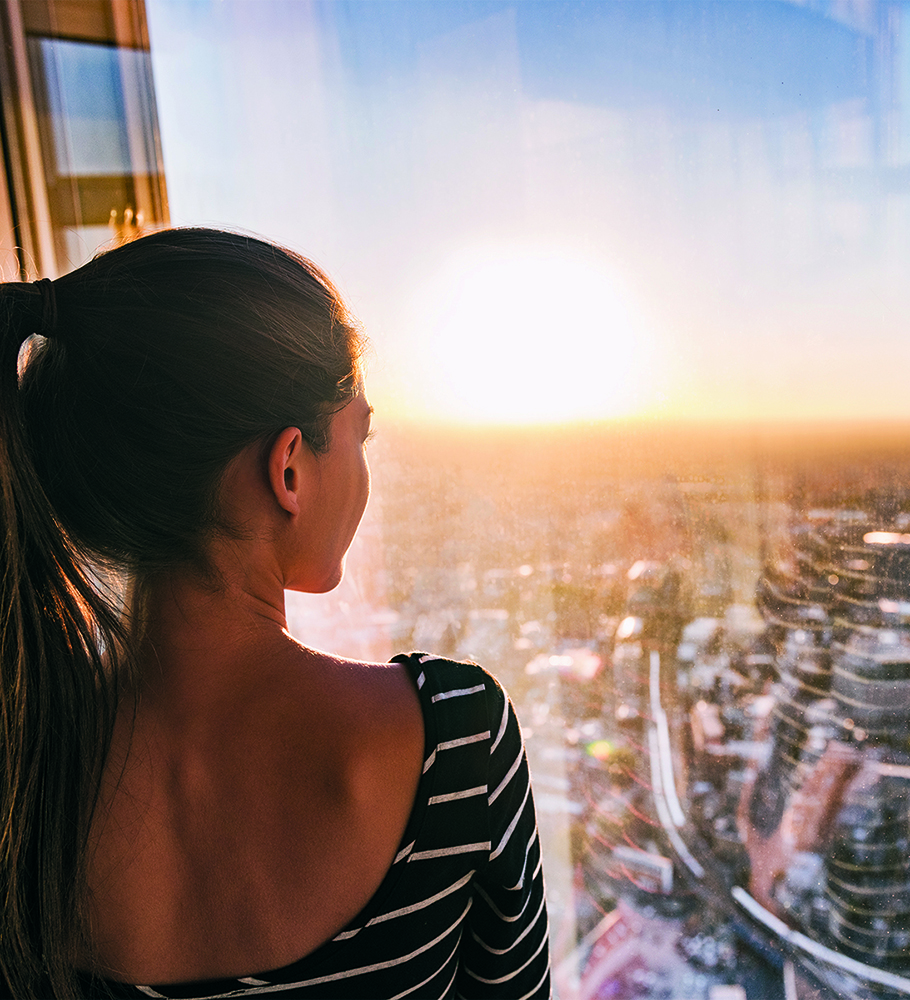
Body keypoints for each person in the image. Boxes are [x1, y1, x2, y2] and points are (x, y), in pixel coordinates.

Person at [0, 229, 550, 999]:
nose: (364, 471)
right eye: (361, 435)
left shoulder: (22, 772)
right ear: (288, 467)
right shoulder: (452, 744)